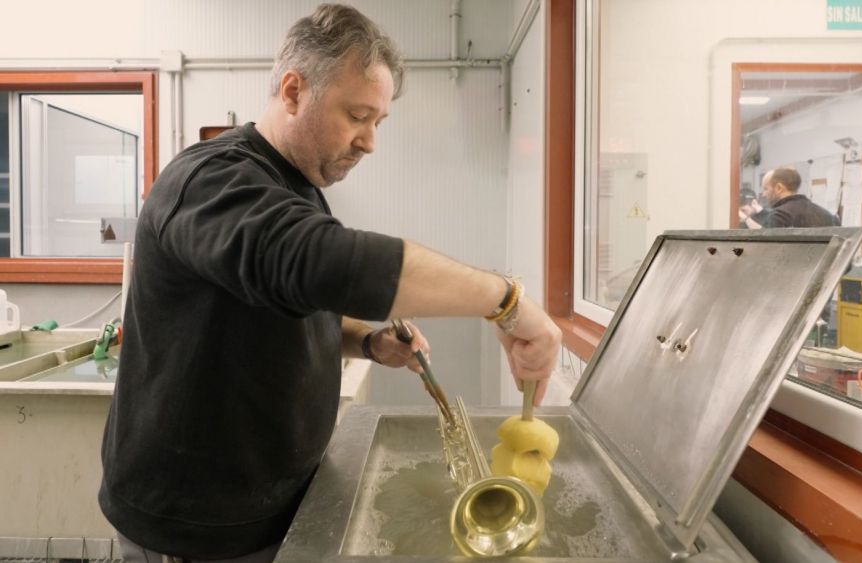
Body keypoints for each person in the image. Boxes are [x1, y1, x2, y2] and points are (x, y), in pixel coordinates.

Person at [98, 5, 561, 562]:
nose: (370, 142)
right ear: (294, 92)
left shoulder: (300, 188)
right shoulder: (209, 180)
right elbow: (324, 264)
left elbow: (294, 306)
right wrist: (507, 301)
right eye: (358, 115)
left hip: (275, 503)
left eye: (378, 122)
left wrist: (369, 342)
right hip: (196, 524)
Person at [739, 166, 841, 228]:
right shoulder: (829, 216)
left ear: (779, 188)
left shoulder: (780, 216)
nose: (764, 194)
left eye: (766, 189)